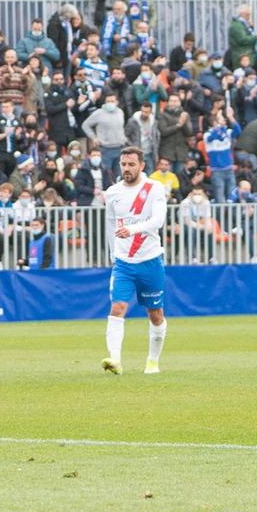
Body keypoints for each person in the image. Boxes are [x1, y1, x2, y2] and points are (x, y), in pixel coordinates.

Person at [99, 146, 168, 375]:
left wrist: (132, 229)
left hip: (150, 260)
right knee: (118, 307)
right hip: (123, 262)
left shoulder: (154, 188)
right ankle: (115, 360)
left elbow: (158, 220)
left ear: (142, 166)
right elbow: (110, 224)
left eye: (131, 164)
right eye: (123, 164)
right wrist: (113, 254)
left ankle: (152, 360)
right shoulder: (113, 193)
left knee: (155, 314)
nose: (126, 169)